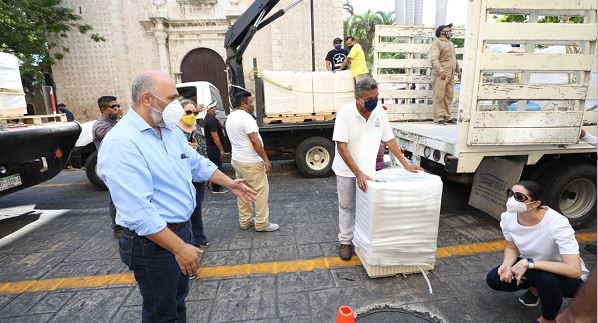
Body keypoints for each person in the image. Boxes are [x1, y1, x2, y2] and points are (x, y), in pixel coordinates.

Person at [97, 70, 256, 322]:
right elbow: (139, 212)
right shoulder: (122, 143)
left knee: (176, 302)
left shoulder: (168, 130)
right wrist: (180, 248)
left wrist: (230, 183)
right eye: (171, 98)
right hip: (153, 243)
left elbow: (195, 162)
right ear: (148, 99)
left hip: (179, 232)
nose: (177, 106)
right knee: (162, 314)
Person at [332, 77, 422, 260]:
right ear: (358, 98)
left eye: (377, 97)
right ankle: (345, 242)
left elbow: (390, 139)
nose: (374, 101)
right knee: (347, 206)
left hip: (369, 172)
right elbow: (342, 147)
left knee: (366, 207)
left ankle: (363, 240)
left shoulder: (379, 111)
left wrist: (406, 164)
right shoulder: (345, 113)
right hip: (347, 171)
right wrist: (358, 174)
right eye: (370, 99)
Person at [485, 181, 589, 323]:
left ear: (535, 204)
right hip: (533, 266)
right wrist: (507, 265)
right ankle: (535, 289)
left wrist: (528, 263)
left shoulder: (558, 223)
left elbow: (574, 269)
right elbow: (511, 247)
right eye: (510, 193)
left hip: (568, 277)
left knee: (546, 279)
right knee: (495, 279)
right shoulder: (507, 217)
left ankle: (547, 319)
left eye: (519, 197)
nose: (511, 199)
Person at [225, 90, 279, 232]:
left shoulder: (230, 117)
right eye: (250, 102)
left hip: (237, 160)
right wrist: (265, 159)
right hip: (250, 161)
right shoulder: (246, 118)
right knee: (260, 191)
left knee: (242, 191)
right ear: (243, 104)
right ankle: (261, 223)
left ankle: (245, 221)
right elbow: (255, 141)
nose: (252, 104)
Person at [177, 99, 210, 250]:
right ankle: (187, 241)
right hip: (184, 175)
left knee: (197, 206)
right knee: (186, 208)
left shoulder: (197, 127)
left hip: (199, 173)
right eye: (188, 112)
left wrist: (208, 172)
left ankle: (199, 237)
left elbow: (204, 150)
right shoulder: (175, 131)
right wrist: (186, 148)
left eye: (194, 112)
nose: (191, 115)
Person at [92, 95, 123, 237]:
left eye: (118, 105)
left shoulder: (115, 122)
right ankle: (117, 228)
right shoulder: (100, 126)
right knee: (116, 197)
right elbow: (118, 137)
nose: (117, 108)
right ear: (104, 109)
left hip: (120, 164)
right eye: (113, 106)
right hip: (112, 167)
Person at [430, 23, 461, 125]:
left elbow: (454, 59)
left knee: (449, 96)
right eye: (448, 29)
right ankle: (438, 117)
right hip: (441, 74)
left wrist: (458, 70)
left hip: (450, 74)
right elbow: (434, 58)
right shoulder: (437, 43)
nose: (450, 31)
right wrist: (441, 71)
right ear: (442, 32)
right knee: (439, 96)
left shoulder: (450, 44)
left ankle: (447, 117)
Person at [204, 101, 229, 194]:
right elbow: (215, 136)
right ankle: (216, 188)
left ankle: (215, 186)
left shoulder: (210, 118)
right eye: (214, 108)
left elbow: (218, 126)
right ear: (210, 109)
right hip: (213, 148)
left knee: (215, 166)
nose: (216, 109)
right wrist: (221, 149)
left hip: (212, 147)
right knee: (216, 167)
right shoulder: (211, 120)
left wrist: (226, 126)